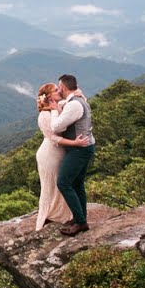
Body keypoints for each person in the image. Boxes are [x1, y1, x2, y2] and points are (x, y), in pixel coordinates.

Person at [48, 73, 95, 236]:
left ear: (63, 87)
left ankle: (81, 222)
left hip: (79, 149)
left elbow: (56, 127)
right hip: (85, 147)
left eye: (59, 86)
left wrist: (54, 111)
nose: (58, 88)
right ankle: (79, 217)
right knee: (77, 184)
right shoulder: (77, 100)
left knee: (63, 182)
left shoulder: (74, 105)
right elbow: (65, 103)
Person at [33, 82, 75, 230]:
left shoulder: (57, 107)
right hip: (49, 154)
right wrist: (74, 143)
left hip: (58, 152)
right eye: (56, 90)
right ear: (49, 96)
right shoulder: (44, 115)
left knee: (60, 182)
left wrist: (77, 94)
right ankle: (49, 215)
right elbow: (53, 137)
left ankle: (61, 214)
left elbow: (71, 102)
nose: (60, 91)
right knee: (51, 184)